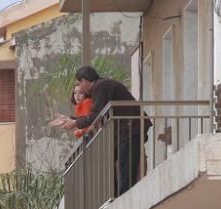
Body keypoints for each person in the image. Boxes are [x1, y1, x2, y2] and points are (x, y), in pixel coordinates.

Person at [49, 66, 150, 196]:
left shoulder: (100, 87)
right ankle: (117, 196)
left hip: (130, 128)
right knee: (118, 164)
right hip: (127, 128)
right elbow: (97, 114)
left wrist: (75, 123)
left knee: (126, 167)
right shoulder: (102, 85)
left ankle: (125, 197)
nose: (81, 89)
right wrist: (71, 119)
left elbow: (96, 115)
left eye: (80, 84)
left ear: (85, 81)